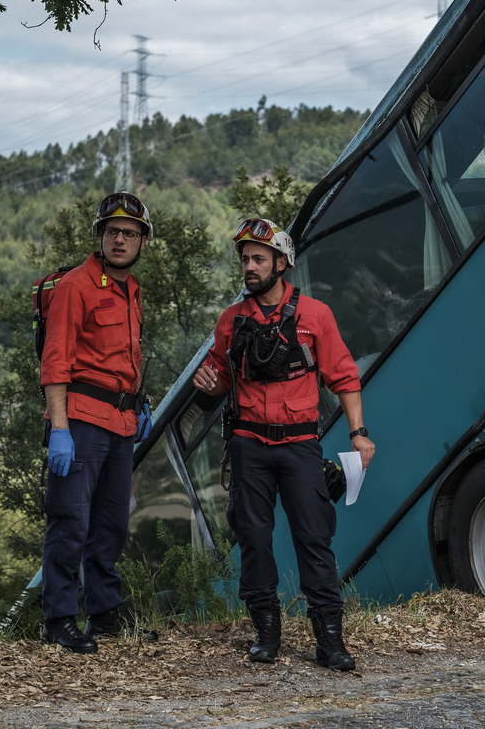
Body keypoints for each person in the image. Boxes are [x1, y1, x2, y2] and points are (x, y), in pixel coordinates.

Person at [192, 218, 376, 671]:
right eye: (245, 260)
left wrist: (358, 433)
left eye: (258, 259)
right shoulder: (231, 321)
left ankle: (330, 641)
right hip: (248, 445)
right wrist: (210, 383)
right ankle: (266, 634)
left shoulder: (315, 315)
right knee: (254, 539)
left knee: (314, 538)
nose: (249, 267)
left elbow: (344, 377)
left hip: (299, 445)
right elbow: (218, 379)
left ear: (281, 263)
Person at [39, 192, 155, 653]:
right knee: (70, 519)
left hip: (121, 421)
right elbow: (55, 362)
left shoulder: (132, 289)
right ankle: (58, 619)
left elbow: (127, 356)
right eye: (112, 231)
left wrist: (140, 403)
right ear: (100, 236)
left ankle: (104, 614)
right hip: (81, 420)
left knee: (111, 523)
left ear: (143, 241)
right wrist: (60, 429)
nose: (120, 239)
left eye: (129, 233)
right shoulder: (76, 286)